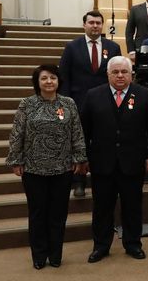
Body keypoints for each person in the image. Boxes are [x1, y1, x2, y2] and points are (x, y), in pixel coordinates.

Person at [6, 65, 87, 269]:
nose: (49, 81)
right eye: (44, 78)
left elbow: (77, 132)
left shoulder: (68, 103)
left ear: (58, 81)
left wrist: (79, 158)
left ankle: (56, 254)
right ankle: (39, 255)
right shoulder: (27, 104)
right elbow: (17, 134)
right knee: (38, 213)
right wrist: (16, 160)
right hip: (33, 169)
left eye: (52, 78)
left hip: (63, 168)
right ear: (37, 82)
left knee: (58, 214)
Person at [81, 56, 148, 263]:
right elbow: (84, 131)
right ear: (108, 74)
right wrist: (84, 157)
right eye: (115, 72)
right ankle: (101, 246)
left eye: (124, 72)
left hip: (133, 162)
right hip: (102, 163)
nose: (120, 76)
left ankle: (133, 244)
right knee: (102, 208)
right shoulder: (93, 95)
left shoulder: (145, 95)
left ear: (131, 74)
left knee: (132, 206)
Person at [59, 10, 121, 198]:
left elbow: (117, 76)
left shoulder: (113, 47)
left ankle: (102, 178)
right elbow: (64, 77)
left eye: (98, 23)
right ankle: (79, 181)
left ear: (102, 25)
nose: (95, 26)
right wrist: (66, 103)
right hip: (78, 103)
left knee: (103, 141)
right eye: (91, 22)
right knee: (80, 142)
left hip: (106, 104)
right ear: (84, 25)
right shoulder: (72, 47)